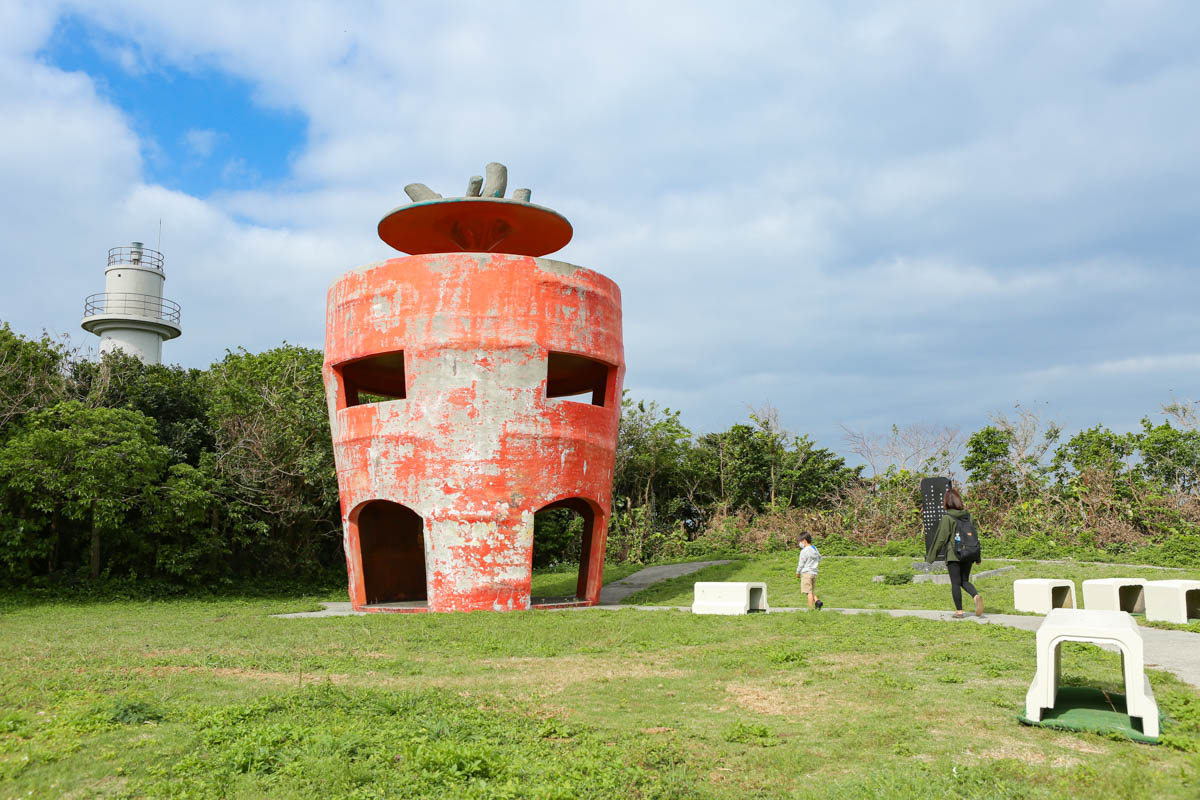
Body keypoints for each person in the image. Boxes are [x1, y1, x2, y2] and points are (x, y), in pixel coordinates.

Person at [926, 487, 983, 618]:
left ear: (947, 502)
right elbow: (974, 536)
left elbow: (941, 538)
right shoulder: (968, 516)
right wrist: (977, 558)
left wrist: (930, 558)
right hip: (968, 553)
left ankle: (959, 612)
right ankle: (976, 596)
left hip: (954, 554)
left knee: (956, 583)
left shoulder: (947, 518)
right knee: (964, 581)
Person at [796, 533, 823, 610]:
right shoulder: (814, 548)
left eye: (800, 541)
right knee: (810, 590)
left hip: (806, 573)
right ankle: (817, 601)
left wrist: (798, 572)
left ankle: (810, 609)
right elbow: (820, 558)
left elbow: (801, 563)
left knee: (809, 592)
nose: (800, 543)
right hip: (814, 573)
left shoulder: (804, 551)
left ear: (804, 541)